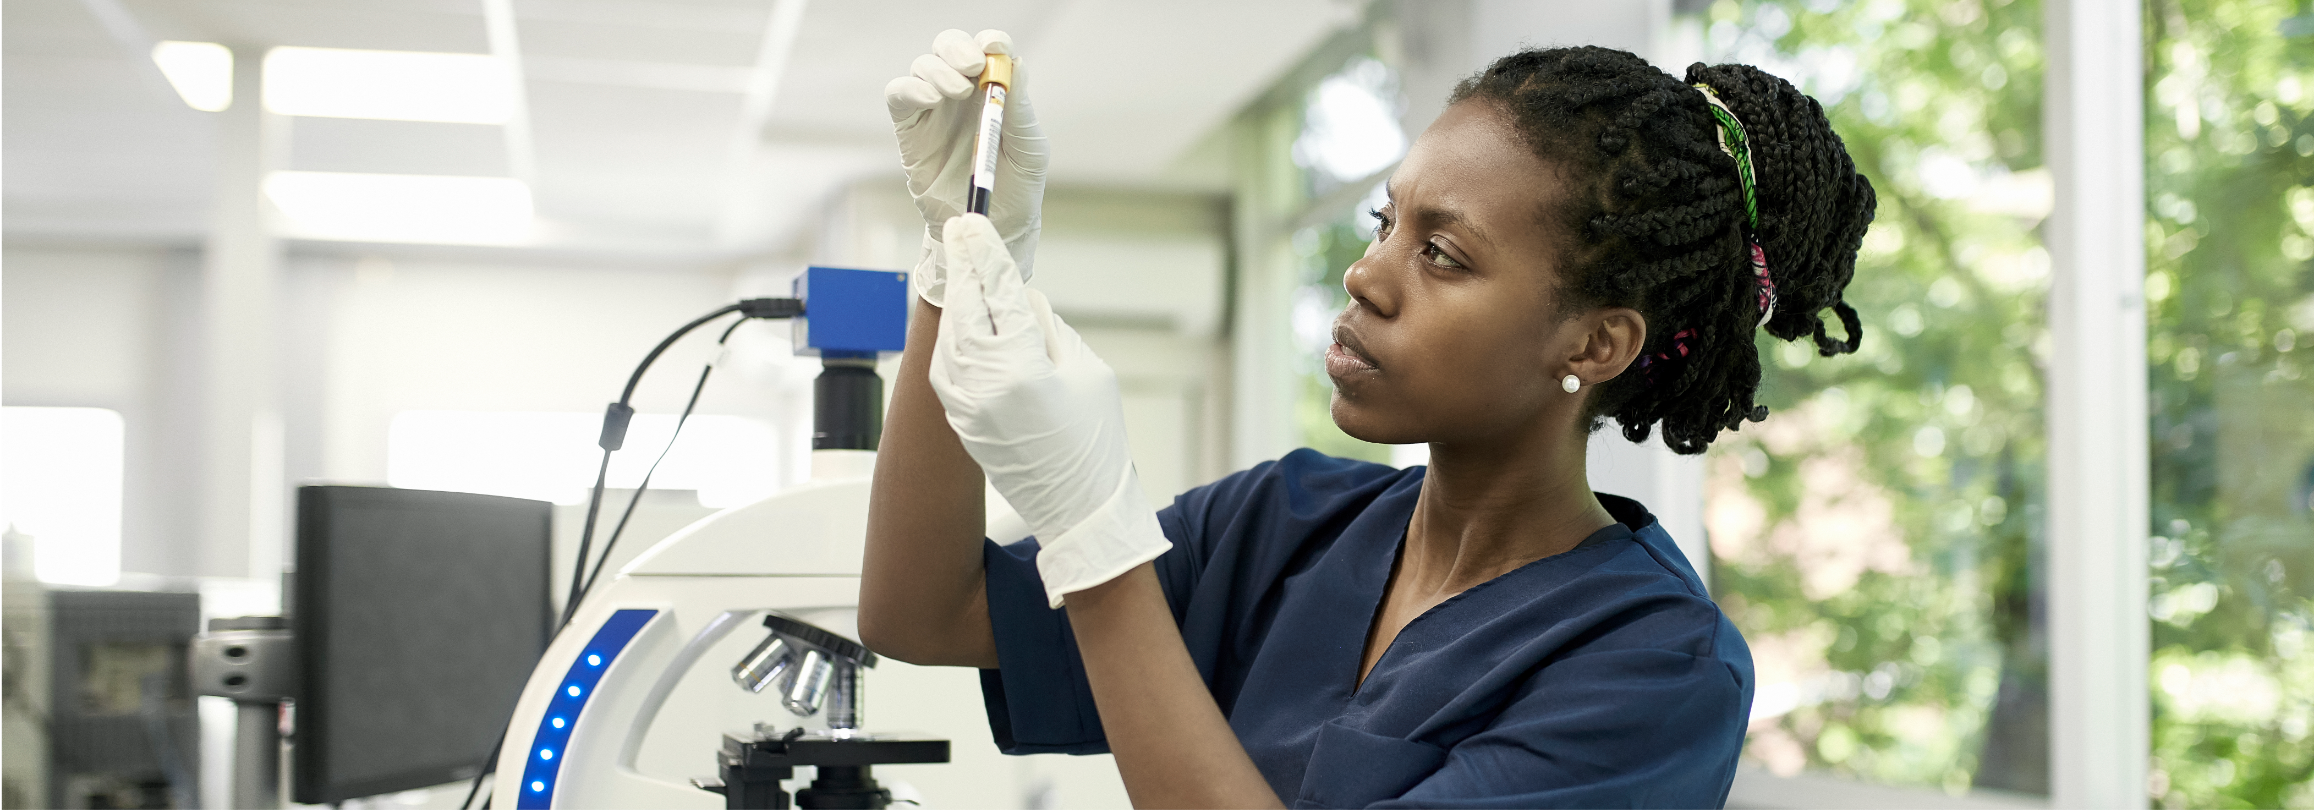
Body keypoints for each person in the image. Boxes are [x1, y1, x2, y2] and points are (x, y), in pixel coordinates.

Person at [860, 28, 1876, 809]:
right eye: (1384, 223)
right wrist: (964, 247)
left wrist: (1095, 535)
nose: (1364, 276)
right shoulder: (1284, 525)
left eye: (1443, 254)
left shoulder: (1653, 667)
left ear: (1593, 344)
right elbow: (920, 612)